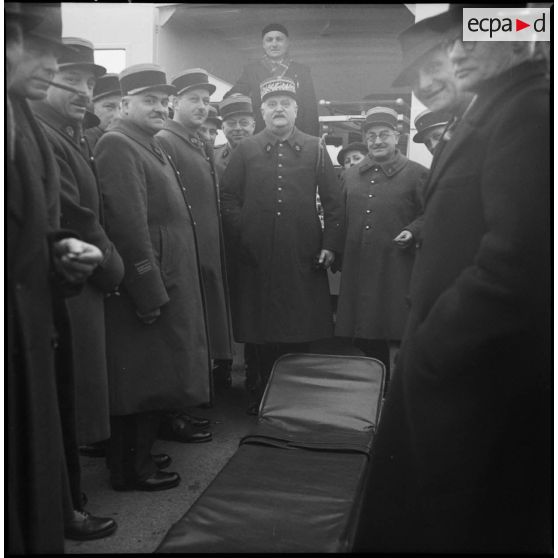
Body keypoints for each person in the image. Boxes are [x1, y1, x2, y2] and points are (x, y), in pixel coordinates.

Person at [353, 7, 551, 554]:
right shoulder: (491, 110)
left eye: (436, 60)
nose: (427, 83)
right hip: (459, 369)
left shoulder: (529, 108)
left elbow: (522, 265)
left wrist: (434, 347)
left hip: (474, 375)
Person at [7, 3, 114, 550]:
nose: (50, 65)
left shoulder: (19, 114)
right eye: (39, 51)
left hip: (33, 324)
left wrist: (56, 252)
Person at [95, 63, 211, 491]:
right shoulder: (118, 144)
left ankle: (136, 457)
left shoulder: (148, 144)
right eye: (149, 100)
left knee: (154, 375)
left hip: (167, 279)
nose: (159, 107)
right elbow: (128, 226)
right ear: (124, 104)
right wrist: (147, 291)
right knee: (139, 380)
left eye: (163, 100)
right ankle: (131, 469)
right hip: (147, 284)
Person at [31, 36, 125, 508]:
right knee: (64, 400)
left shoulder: (66, 133)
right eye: (70, 80)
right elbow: (77, 215)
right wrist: (113, 267)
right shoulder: (45, 133)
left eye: (88, 83)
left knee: (71, 397)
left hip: (78, 281)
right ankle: (67, 507)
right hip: (71, 283)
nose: (83, 92)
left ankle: (71, 500)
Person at [220, 76, 344, 414]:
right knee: (257, 326)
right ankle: (256, 390)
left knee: (299, 323)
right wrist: (243, 231)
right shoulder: (246, 149)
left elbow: (335, 202)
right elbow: (228, 197)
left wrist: (330, 244)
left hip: (301, 253)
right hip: (254, 254)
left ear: (295, 110)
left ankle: (294, 394)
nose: (278, 109)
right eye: (272, 104)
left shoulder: (317, 147)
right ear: (262, 111)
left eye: (285, 104)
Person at [156, 67, 232, 440]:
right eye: (194, 100)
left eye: (206, 100)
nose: (202, 106)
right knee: (181, 336)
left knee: (196, 334)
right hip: (185, 256)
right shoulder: (166, 141)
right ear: (174, 103)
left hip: (204, 255)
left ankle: (182, 408)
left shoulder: (193, 141)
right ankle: (173, 415)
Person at [335, 107, 427, 384]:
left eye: (384, 134)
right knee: (362, 329)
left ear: (396, 137)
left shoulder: (417, 173)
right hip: (358, 264)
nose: (377, 141)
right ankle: (373, 387)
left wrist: (412, 231)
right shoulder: (349, 176)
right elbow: (339, 215)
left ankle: (396, 390)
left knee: (395, 328)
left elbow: (433, 212)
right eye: (371, 136)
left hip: (396, 264)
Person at [224, 23, 319, 136]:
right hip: (261, 135)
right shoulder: (251, 70)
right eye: (269, 40)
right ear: (263, 45)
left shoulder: (302, 71)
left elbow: (310, 110)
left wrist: (311, 141)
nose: (274, 44)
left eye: (279, 39)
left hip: (295, 136)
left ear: (287, 43)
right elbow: (232, 97)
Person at [214, 94, 256, 181]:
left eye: (244, 123)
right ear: (222, 127)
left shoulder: (268, 156)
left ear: (253, 126)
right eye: (231, 123)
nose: (237, 128)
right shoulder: (213, 156)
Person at [85, 72, 122, 150]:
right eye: (109, 107)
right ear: (90, 107)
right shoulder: (87, 143)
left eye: (120, 108)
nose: (118, 116)